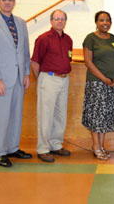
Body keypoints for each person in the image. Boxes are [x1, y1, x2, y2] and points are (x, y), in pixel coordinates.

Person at [0, 0, 32, 167]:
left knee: (16, 116)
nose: (7, 2)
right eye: (4, 0)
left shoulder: (20, 23)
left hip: (19, 78)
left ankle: (12, 148)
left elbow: (25, 51)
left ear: (14, 2)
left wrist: (26, 72)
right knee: (1, 117)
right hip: (1, 80)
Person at [31, 9, 73, 163]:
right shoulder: (43, 39)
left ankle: (56, 144)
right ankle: (43, 148)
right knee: (45, 115)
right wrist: (41, 80)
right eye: (57, 18)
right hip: (48, 78)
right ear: (51, 21)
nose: (60, 21)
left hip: (64, 79)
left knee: (60, 115)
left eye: (63, 19)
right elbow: (35, 63)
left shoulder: (68, 39)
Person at [82, 11, 114, 160]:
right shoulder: (91, 38)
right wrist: (104, 78)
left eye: (107, 20)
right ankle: (96, 146)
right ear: (96, 22)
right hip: (96, 84)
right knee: (96, 116)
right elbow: (88, 62)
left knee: (105, 116)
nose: (105, 22)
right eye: (101, 20)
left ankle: (102, 145)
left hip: (111, 85)